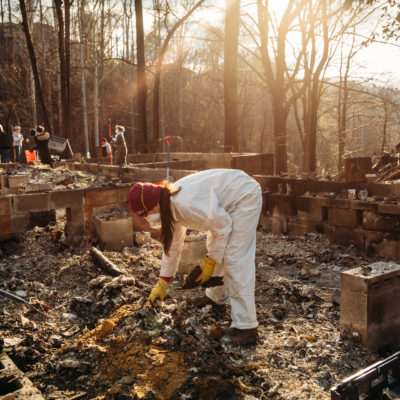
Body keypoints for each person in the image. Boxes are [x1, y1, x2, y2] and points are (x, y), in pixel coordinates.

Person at [129, 169, 262, 345]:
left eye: (145, 215)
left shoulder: (185, 205)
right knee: (216, 247)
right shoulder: (169, 203)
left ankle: (246, 327)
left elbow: (223, 226)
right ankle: (216, 299)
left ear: (154, 206)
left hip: (243, 196)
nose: (148, 219)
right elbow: (173, 246)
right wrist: (162, 283)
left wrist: (209, 262)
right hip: (227, 203)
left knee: (235, 258)